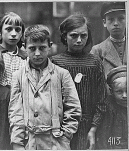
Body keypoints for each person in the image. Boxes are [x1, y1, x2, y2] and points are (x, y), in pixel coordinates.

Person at [8, 24, 81, 150]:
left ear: (50, 47)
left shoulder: (62, 74)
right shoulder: (18, 76)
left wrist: (65, 136)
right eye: (32, 48)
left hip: (56, 143)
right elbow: (15, 113)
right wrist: (17, 143)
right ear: (24, 47)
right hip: (29, 143)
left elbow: (73, 109)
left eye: (42, 48)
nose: (37, 53)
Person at [52, 14, 106, 150]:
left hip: (88, 126)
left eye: (84, 35)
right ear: (65, 36)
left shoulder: (94, 62)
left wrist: (93, 129)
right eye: (74, 35)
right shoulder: (55, 62)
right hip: (61, 126)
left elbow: (102, 99)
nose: (79, 40)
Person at [0, 12, 58, 87]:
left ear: (21, 33)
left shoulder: (26, 57)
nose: (13, 34)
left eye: (17, 30)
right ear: (0, 32)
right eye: (9, 29)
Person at [90, 2, 126, 80]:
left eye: (121, 18)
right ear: (104, 22)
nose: (116, 23)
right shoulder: (97, 50)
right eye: (111, 19)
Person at [96, 65, 127, 149]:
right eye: (119, 91)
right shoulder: (109, 108)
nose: (125, 96)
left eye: (127, 91)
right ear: (111, 91)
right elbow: (103, 136)